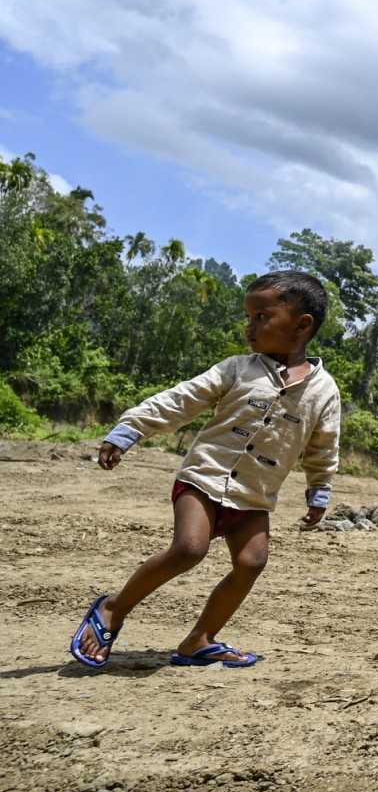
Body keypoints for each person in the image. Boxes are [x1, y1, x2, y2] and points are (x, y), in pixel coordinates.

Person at [68, 271, 341, 670]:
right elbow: (182, 399)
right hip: (204, 477)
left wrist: (320, 491)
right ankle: (113, 608)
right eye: (249, 318)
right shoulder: (237, 369)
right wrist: (131, 428)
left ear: (302, 325)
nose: (250, 327)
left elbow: (323, 446)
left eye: (261, 317)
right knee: (188, 549)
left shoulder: (324, 391)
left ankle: (199, 639)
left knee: (252, 563)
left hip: (254, 495)